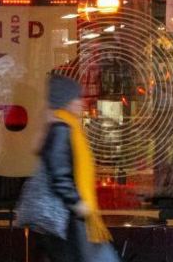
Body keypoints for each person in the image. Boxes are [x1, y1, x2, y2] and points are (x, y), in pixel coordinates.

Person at [38, 75, 119, 262]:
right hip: (69, 215)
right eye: (77, 98)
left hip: (70, 216)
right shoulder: (61, 128)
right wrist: (76, 202)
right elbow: (59, 172)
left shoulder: (68, 127)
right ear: (66, 101)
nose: (81, 103)